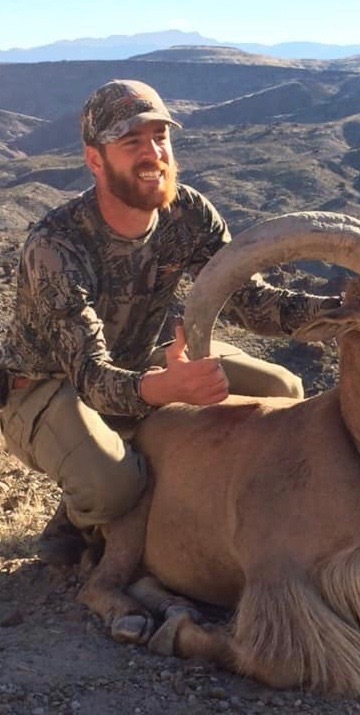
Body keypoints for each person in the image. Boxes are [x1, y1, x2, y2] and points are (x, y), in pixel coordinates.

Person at [0, 79, 339, 566]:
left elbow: (250, 302)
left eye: (160, 137)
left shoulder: (189, 213)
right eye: (131, 142)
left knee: (284, 390)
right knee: (113, 488)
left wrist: (344, 311)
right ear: (95, 160)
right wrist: (167, 389)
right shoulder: (56, 245)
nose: (152, 153)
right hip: (46, 386)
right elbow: (90, 377)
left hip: (145, 360)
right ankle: (81, 514)